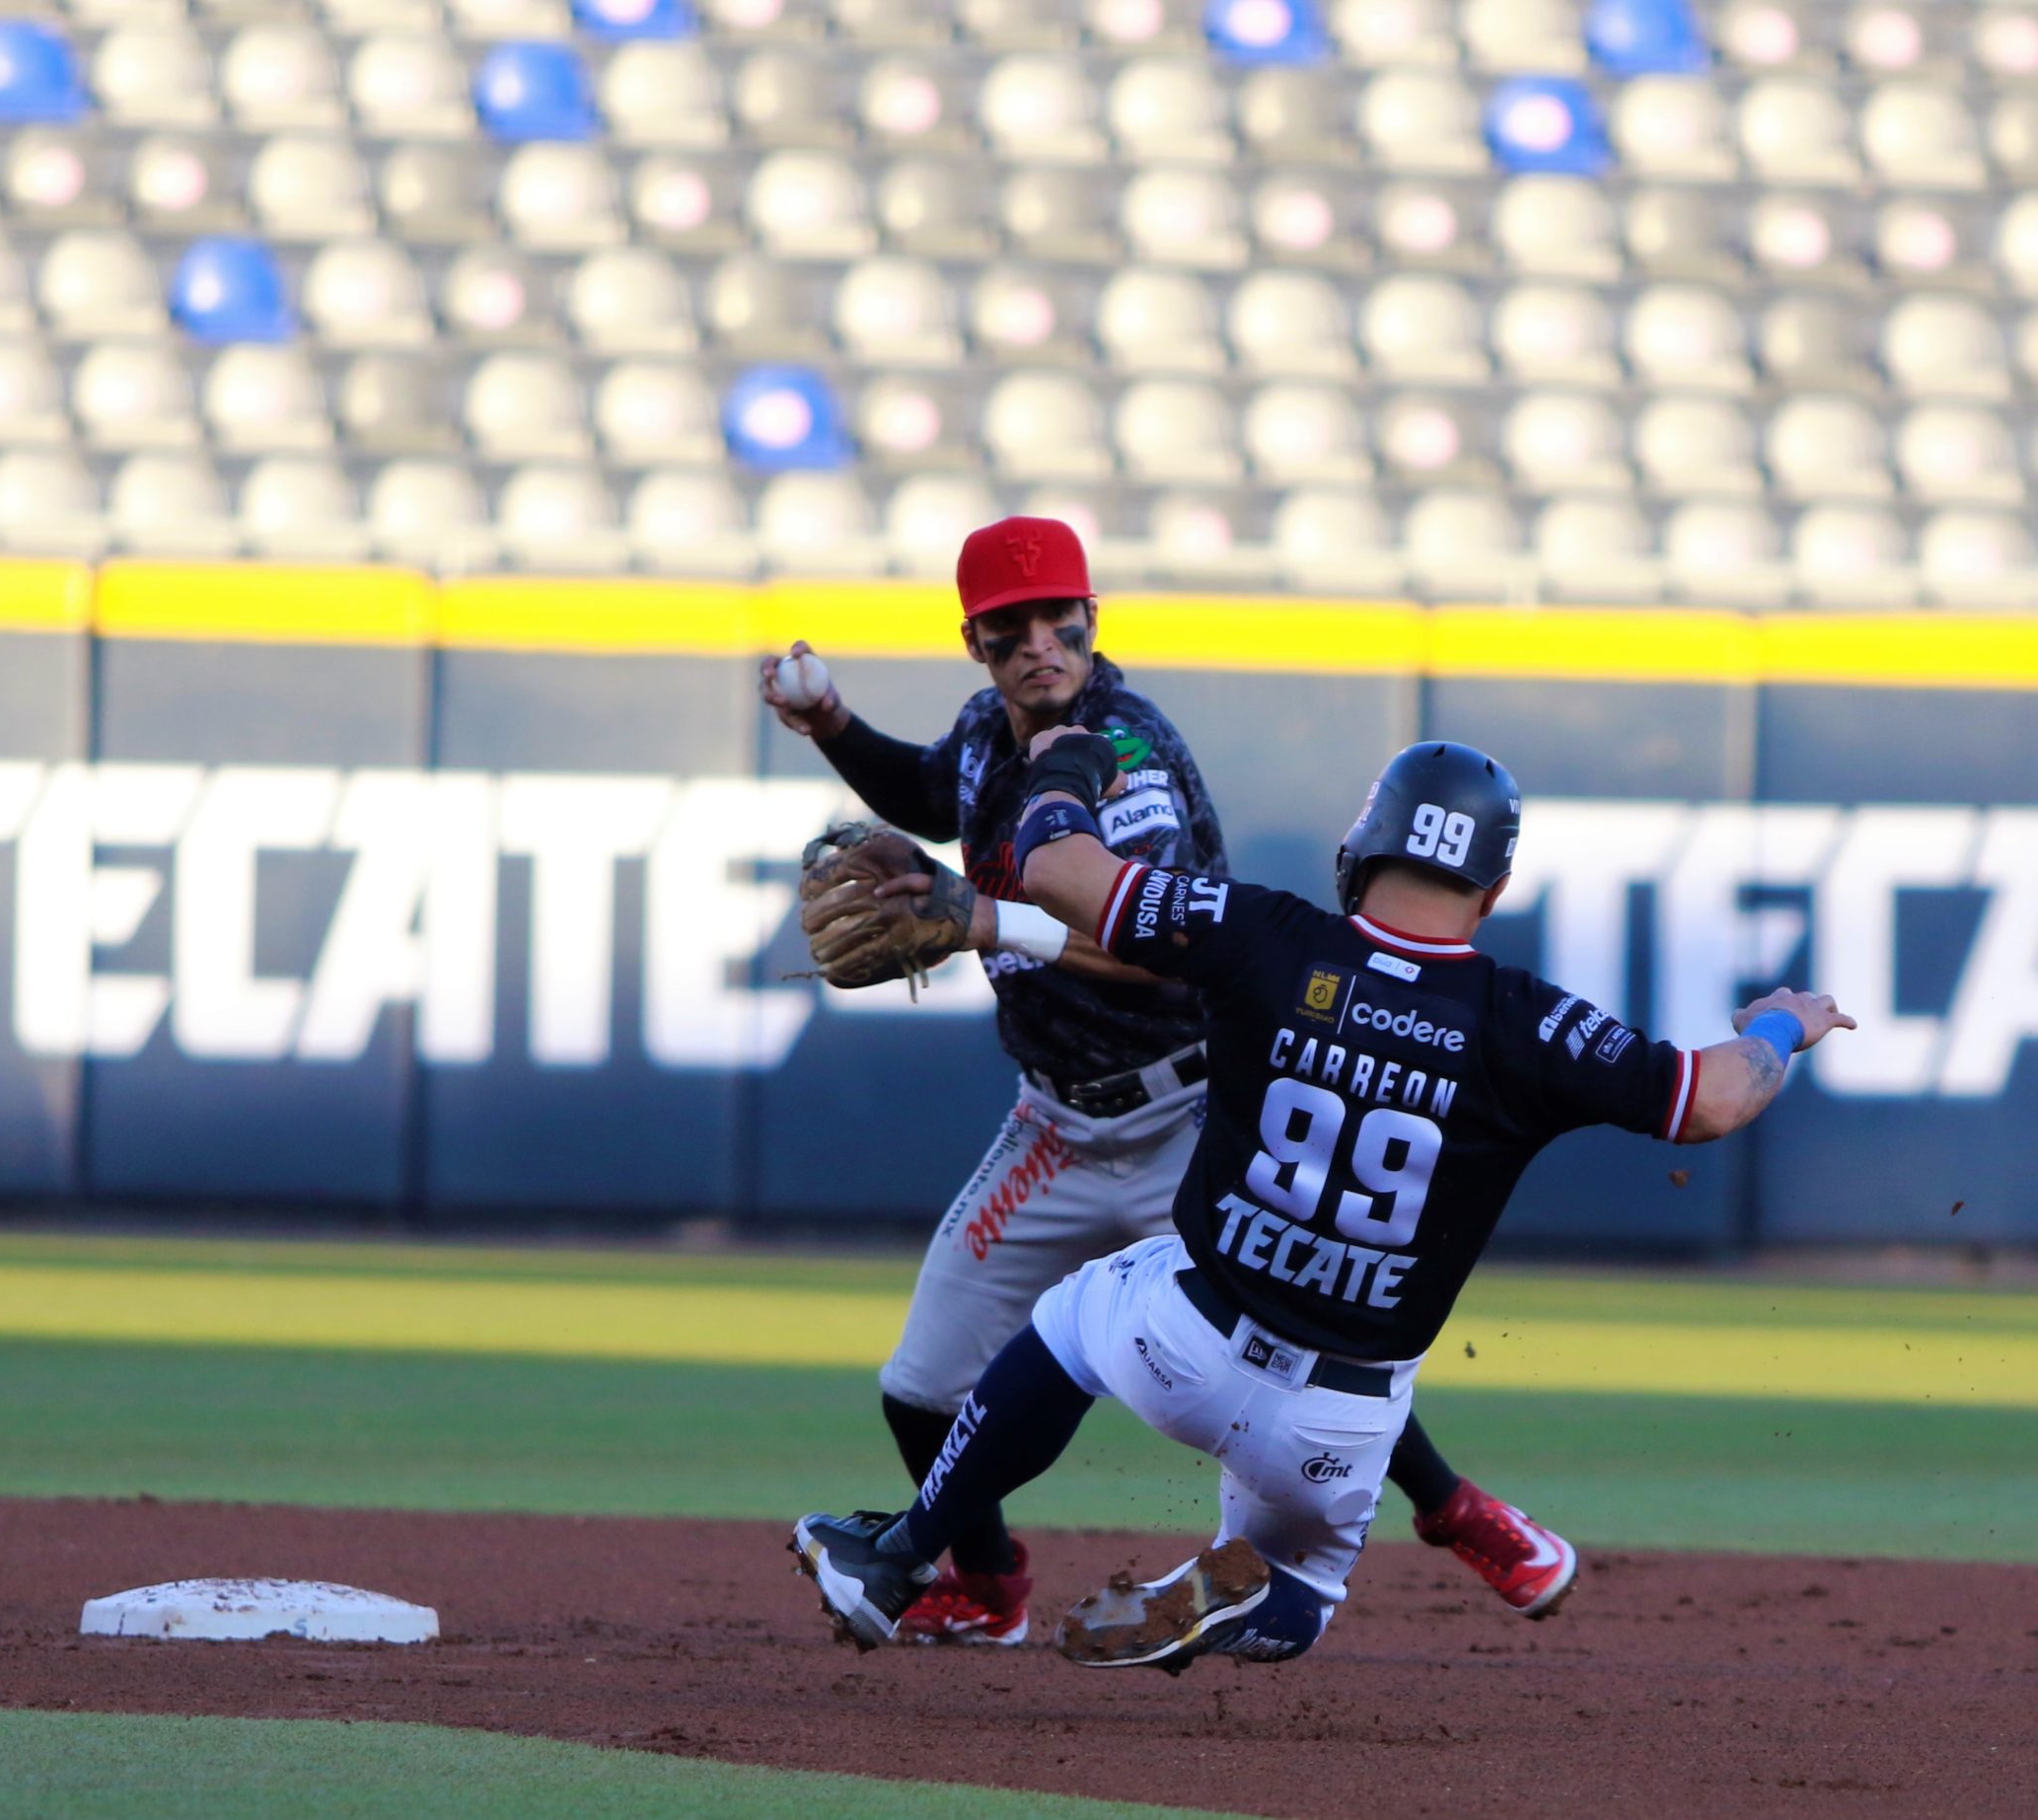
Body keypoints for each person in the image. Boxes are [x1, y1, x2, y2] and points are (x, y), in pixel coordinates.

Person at [791, 733, 1853, 1668]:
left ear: (1362, 847)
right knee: (1303, 1588)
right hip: (1343, 1419)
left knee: (1071, 1320)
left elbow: (1058, 869)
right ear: (1490, 891)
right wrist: (1781, 1024)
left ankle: (898, 1558)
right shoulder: (1527, 1023)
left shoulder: (1266, 934)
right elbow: (1714, 1099)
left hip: (1183, 1342)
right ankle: (1248, 1600)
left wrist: (1066, 762)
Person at [763, 518, 1579, 1646]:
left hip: (1193, 1109)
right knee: (919, 1385)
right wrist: (832, 727)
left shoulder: (1122, 755)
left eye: (1061, 621)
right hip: (1052, 1123)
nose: (1041, 646)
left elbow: (1166, 946)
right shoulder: (988, 732)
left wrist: (977, 916)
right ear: (974, 644)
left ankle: (1458, 1512)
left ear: (1093, 622)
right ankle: (989, 1591)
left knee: (1297, 1338)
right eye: (1011, 630)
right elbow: (933, 793)